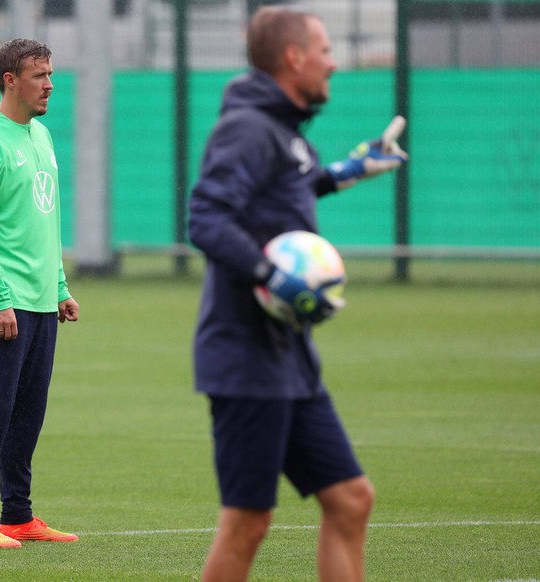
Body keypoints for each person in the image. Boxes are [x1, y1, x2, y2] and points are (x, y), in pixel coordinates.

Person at [188, 7, 407, 581]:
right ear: (294, 57)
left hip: (289, 358)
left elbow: (290, 187)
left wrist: (350, 170)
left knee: (351, 499)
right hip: (244, 359)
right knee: (248, 522)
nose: (334, 62)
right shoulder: (248, 127)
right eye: (327, 50)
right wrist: (269, 273)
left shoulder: (283, 131)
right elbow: (206, 217)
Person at [0, 38, 80, 548]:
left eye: (50, 74)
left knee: (29, 410)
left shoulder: (42, 136)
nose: (50, 84)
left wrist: (59, 286)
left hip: (39, 300)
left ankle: (18, 516)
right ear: (11, 80)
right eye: (40, 75)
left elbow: (43, 221)